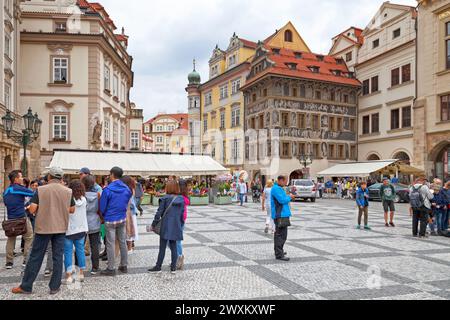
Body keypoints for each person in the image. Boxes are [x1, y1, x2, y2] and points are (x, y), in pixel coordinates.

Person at [11, 167, 75, 295]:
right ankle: (54, 287)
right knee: (58, 257)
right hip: (61, 227)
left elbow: (32, 209)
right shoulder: (68, 191)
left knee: (36, 256)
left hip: (43, 227)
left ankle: (26, 286)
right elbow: (72, 209)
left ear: (49, 177)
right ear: (61, 178)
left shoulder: (40, 190)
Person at [99, 167, 132, 276]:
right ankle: (124, 265)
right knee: (122, 241)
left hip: (110, 219)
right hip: (122, 218)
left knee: (110, 243)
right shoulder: (127, 189)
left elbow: (102, 207)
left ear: (112, 174)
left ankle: (111, 268)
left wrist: (103, 215)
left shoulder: (107, 190)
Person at [149, 180, 185, 274]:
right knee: (173, 246)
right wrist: (180, 225)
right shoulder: (181, 199)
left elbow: (159, 213)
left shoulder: (165, 198)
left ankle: (158, 266)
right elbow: (182, 215)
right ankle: (173, 267)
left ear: (168, 188)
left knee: (162, 247)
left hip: (165, 225)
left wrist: (153, 224)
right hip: (176, 225)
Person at [3, 170, 35, 270]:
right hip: (22, 218)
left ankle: (9, 262)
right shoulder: (18, 189)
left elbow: (6, 203)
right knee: (29, 237)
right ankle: (26, 260)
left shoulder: (6, 191)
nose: (22, 178)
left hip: (11, 219)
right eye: (21, 177)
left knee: (11, 239)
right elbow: (33, 194)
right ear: (16, 179)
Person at [64, 180, 88, 284]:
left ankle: (69, 276)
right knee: (80, 251)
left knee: (68, 253)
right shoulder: (84, 199)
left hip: (69, 230)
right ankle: (81, 274)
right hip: (81, 229)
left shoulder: (68, 199)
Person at [271, 176, 295, 261]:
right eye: (285, 181)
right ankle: (279, 254)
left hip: (282, 214)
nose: (286, 183)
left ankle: (279, 251)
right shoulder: (276, 189)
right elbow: (281, 200)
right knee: (281, 235)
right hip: (280, 214)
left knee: (280, 234)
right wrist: (290, 197)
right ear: (281, 180)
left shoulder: (278, 188)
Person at [82, 175, 103, 274]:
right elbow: (100, 209)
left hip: (82, 221)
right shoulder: (98, 195)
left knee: (80, 245)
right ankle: (95, 267)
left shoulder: (80, 195)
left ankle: (79, 267)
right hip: (95, 220)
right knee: (94, 245)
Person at [121, 176, 138, 253]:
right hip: (130, 213)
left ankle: (129, 248)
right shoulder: (131, 189)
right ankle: (129, 248)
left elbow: (132, 204)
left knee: (129, 230)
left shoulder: (129, 190)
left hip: (129, 213)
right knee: (129, 230)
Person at [176, 179, 190, 270]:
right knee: (175, 240)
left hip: (178, 220)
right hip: (182, 219)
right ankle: (178, 256)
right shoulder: (184, 196)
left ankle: (179, 257)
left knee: (176, 240)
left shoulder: (180, 197)